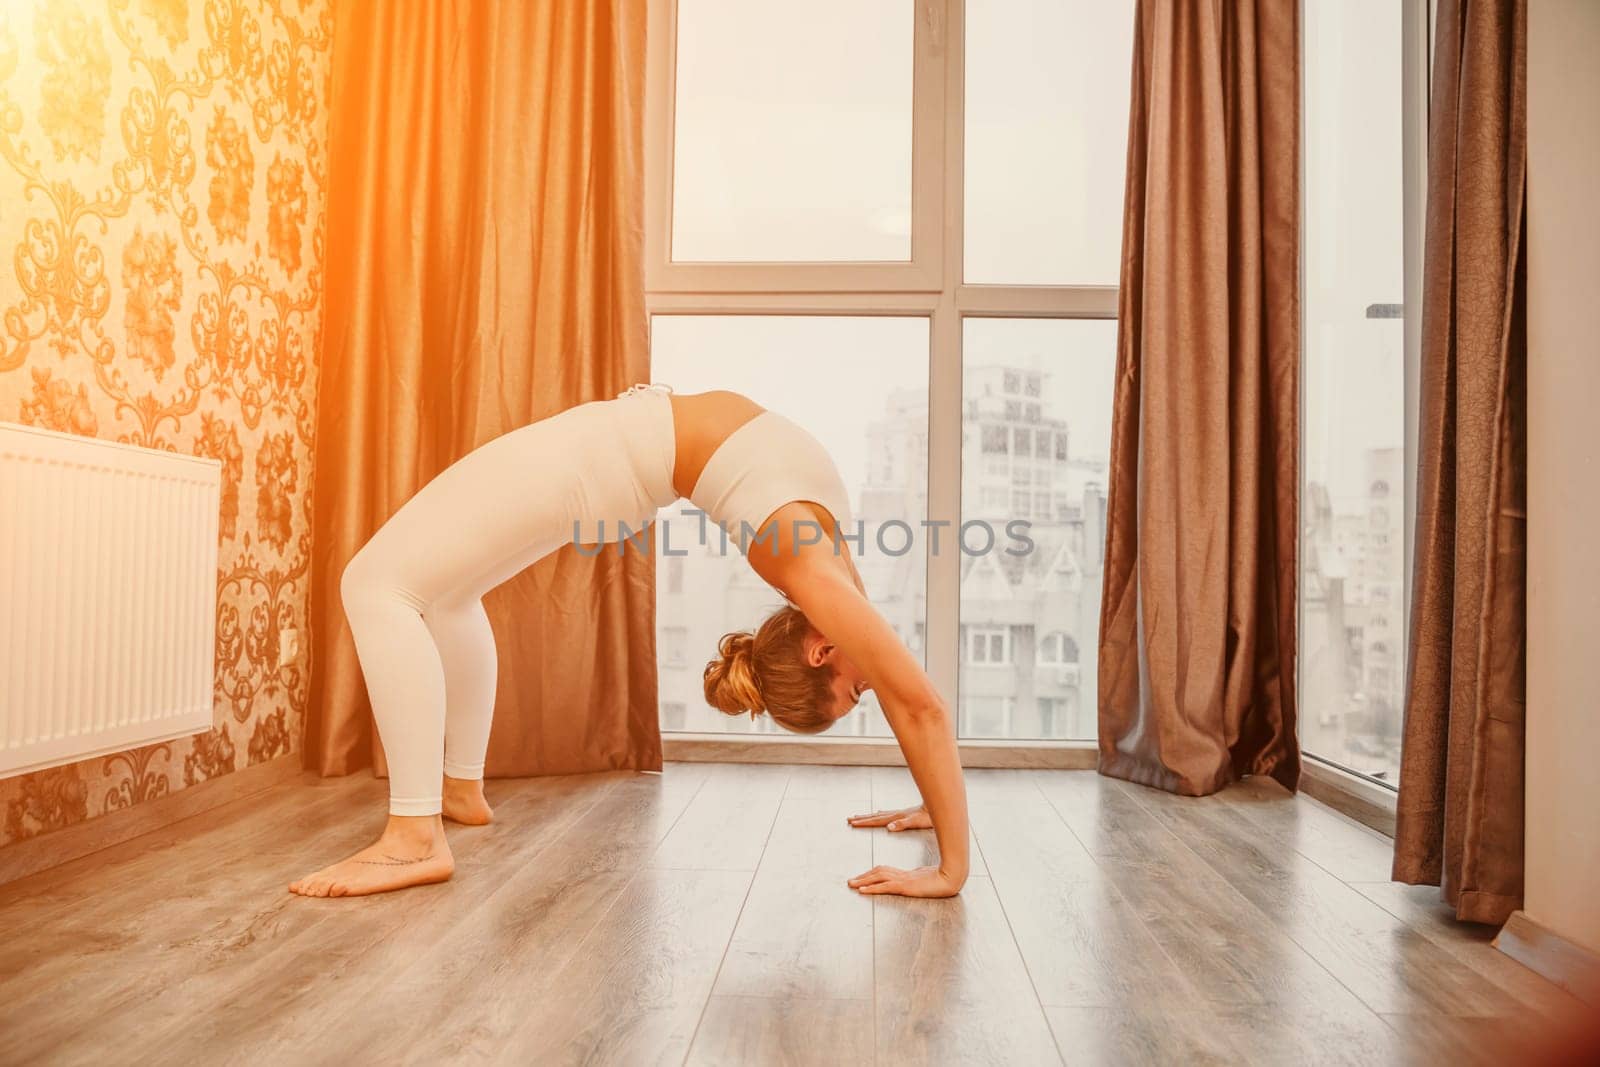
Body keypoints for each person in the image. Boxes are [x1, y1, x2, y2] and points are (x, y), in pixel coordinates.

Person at [288, 382, 970, 899]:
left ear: (819, 651)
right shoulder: (829, 573)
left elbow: (921, 706)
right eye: (858, 695)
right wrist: (935, 811)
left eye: (858, 690)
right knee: (448, 592)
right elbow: (916, 703)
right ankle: (459, 790)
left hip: (594, 460)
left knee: (375, 583)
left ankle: (413, 836)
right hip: (604, 462)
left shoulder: (809, 569)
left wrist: (950, 870)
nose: (873, 681)